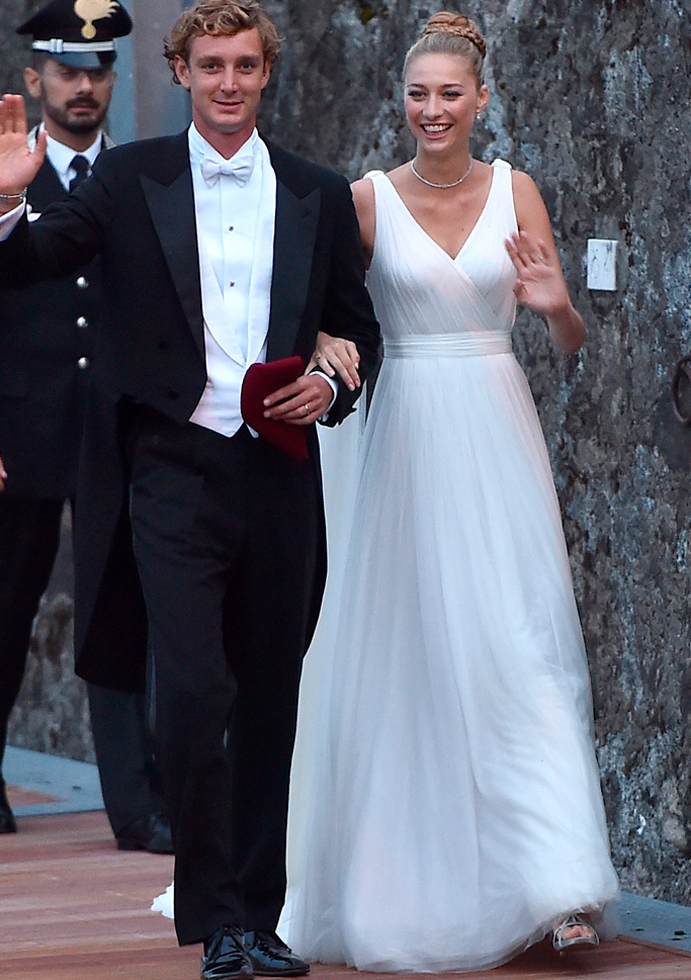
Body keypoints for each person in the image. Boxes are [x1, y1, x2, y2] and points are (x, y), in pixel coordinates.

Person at [0, 1, 380, 977]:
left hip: (281, 473)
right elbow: (39, 258)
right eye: (210, 65)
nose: (229, 82)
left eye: (246, 65)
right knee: (195, 688)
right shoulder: (129, 179)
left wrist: (331, 382)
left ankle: (259, 915)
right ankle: (213, 921)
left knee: (269, 699)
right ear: (180, 70)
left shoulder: (317, 193)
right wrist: (3, 205)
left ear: (265, 72)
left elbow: (354, 327)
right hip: (169, 469)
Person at [280, 12, 619, 973]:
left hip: (495, 428)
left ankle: (558, 885)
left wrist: (560, 314)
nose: (433, 110)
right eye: (418, 94)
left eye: (449, 94)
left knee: (521, 645)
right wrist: (326, 357)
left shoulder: (519, 191)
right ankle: (407, 878)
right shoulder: (365, 201)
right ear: (403, 100)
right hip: (404, 441)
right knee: (414, 655)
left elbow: (566, 339)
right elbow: (330, 322)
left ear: (482, 99)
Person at [0, 0, 172, 855]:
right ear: (35, 79)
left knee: (120, 611)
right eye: (68, 71)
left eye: (99, 72)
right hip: (16, 430)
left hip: (115, 434)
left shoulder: (131, 176)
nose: (85, 86)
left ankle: (137, 806)